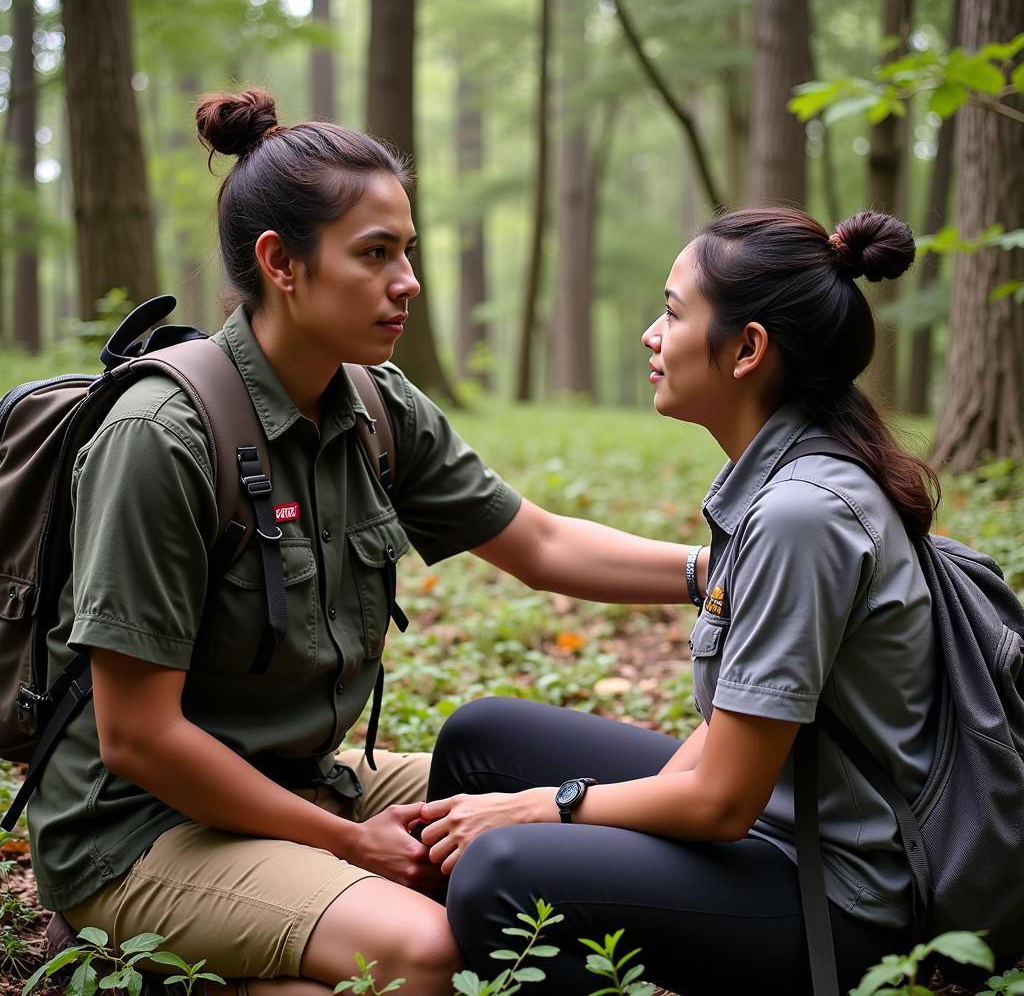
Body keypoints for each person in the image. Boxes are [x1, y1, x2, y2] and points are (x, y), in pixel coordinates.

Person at [26, 88, 708, 996]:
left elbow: (539, 542)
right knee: (426, 948)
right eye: (375, 253)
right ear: (282, 263)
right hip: (141, 827)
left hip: (304, 782)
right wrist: (353, 845)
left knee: (572, 831)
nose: (409, 282)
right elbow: (140, 740)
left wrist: (719, 572)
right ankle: (118, 945)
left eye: (408, 252)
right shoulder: (163, 436)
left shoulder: (376, 406)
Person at [421, 207, 940, 996]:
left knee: (501, 870)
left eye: (671, 312)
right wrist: (565, 805)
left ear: (748, 349)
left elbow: (724, 801)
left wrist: (550, 807)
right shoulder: (786, 473)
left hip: (835, 894)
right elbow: (728, 740)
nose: (650, 336)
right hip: (779, 821)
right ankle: (414, 960)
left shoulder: (801, 516)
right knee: (481, 740)